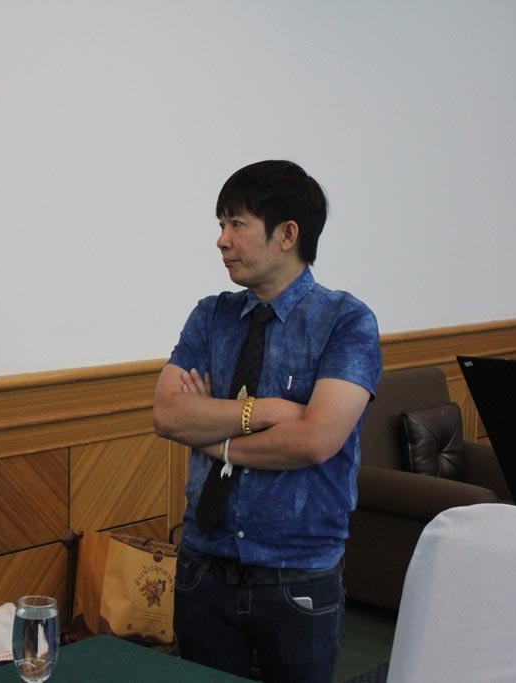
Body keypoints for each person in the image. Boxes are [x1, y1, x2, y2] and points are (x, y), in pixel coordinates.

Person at [153, 161, 382, 683]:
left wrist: (217, 442)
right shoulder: (211, 315)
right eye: (221, 225)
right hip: (203, 565)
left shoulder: (346, 320)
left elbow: (315, 440)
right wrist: (270, 412)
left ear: (287, 235)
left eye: (237, 224)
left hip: (297, 574)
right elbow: (168, 414)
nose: (222, 240)